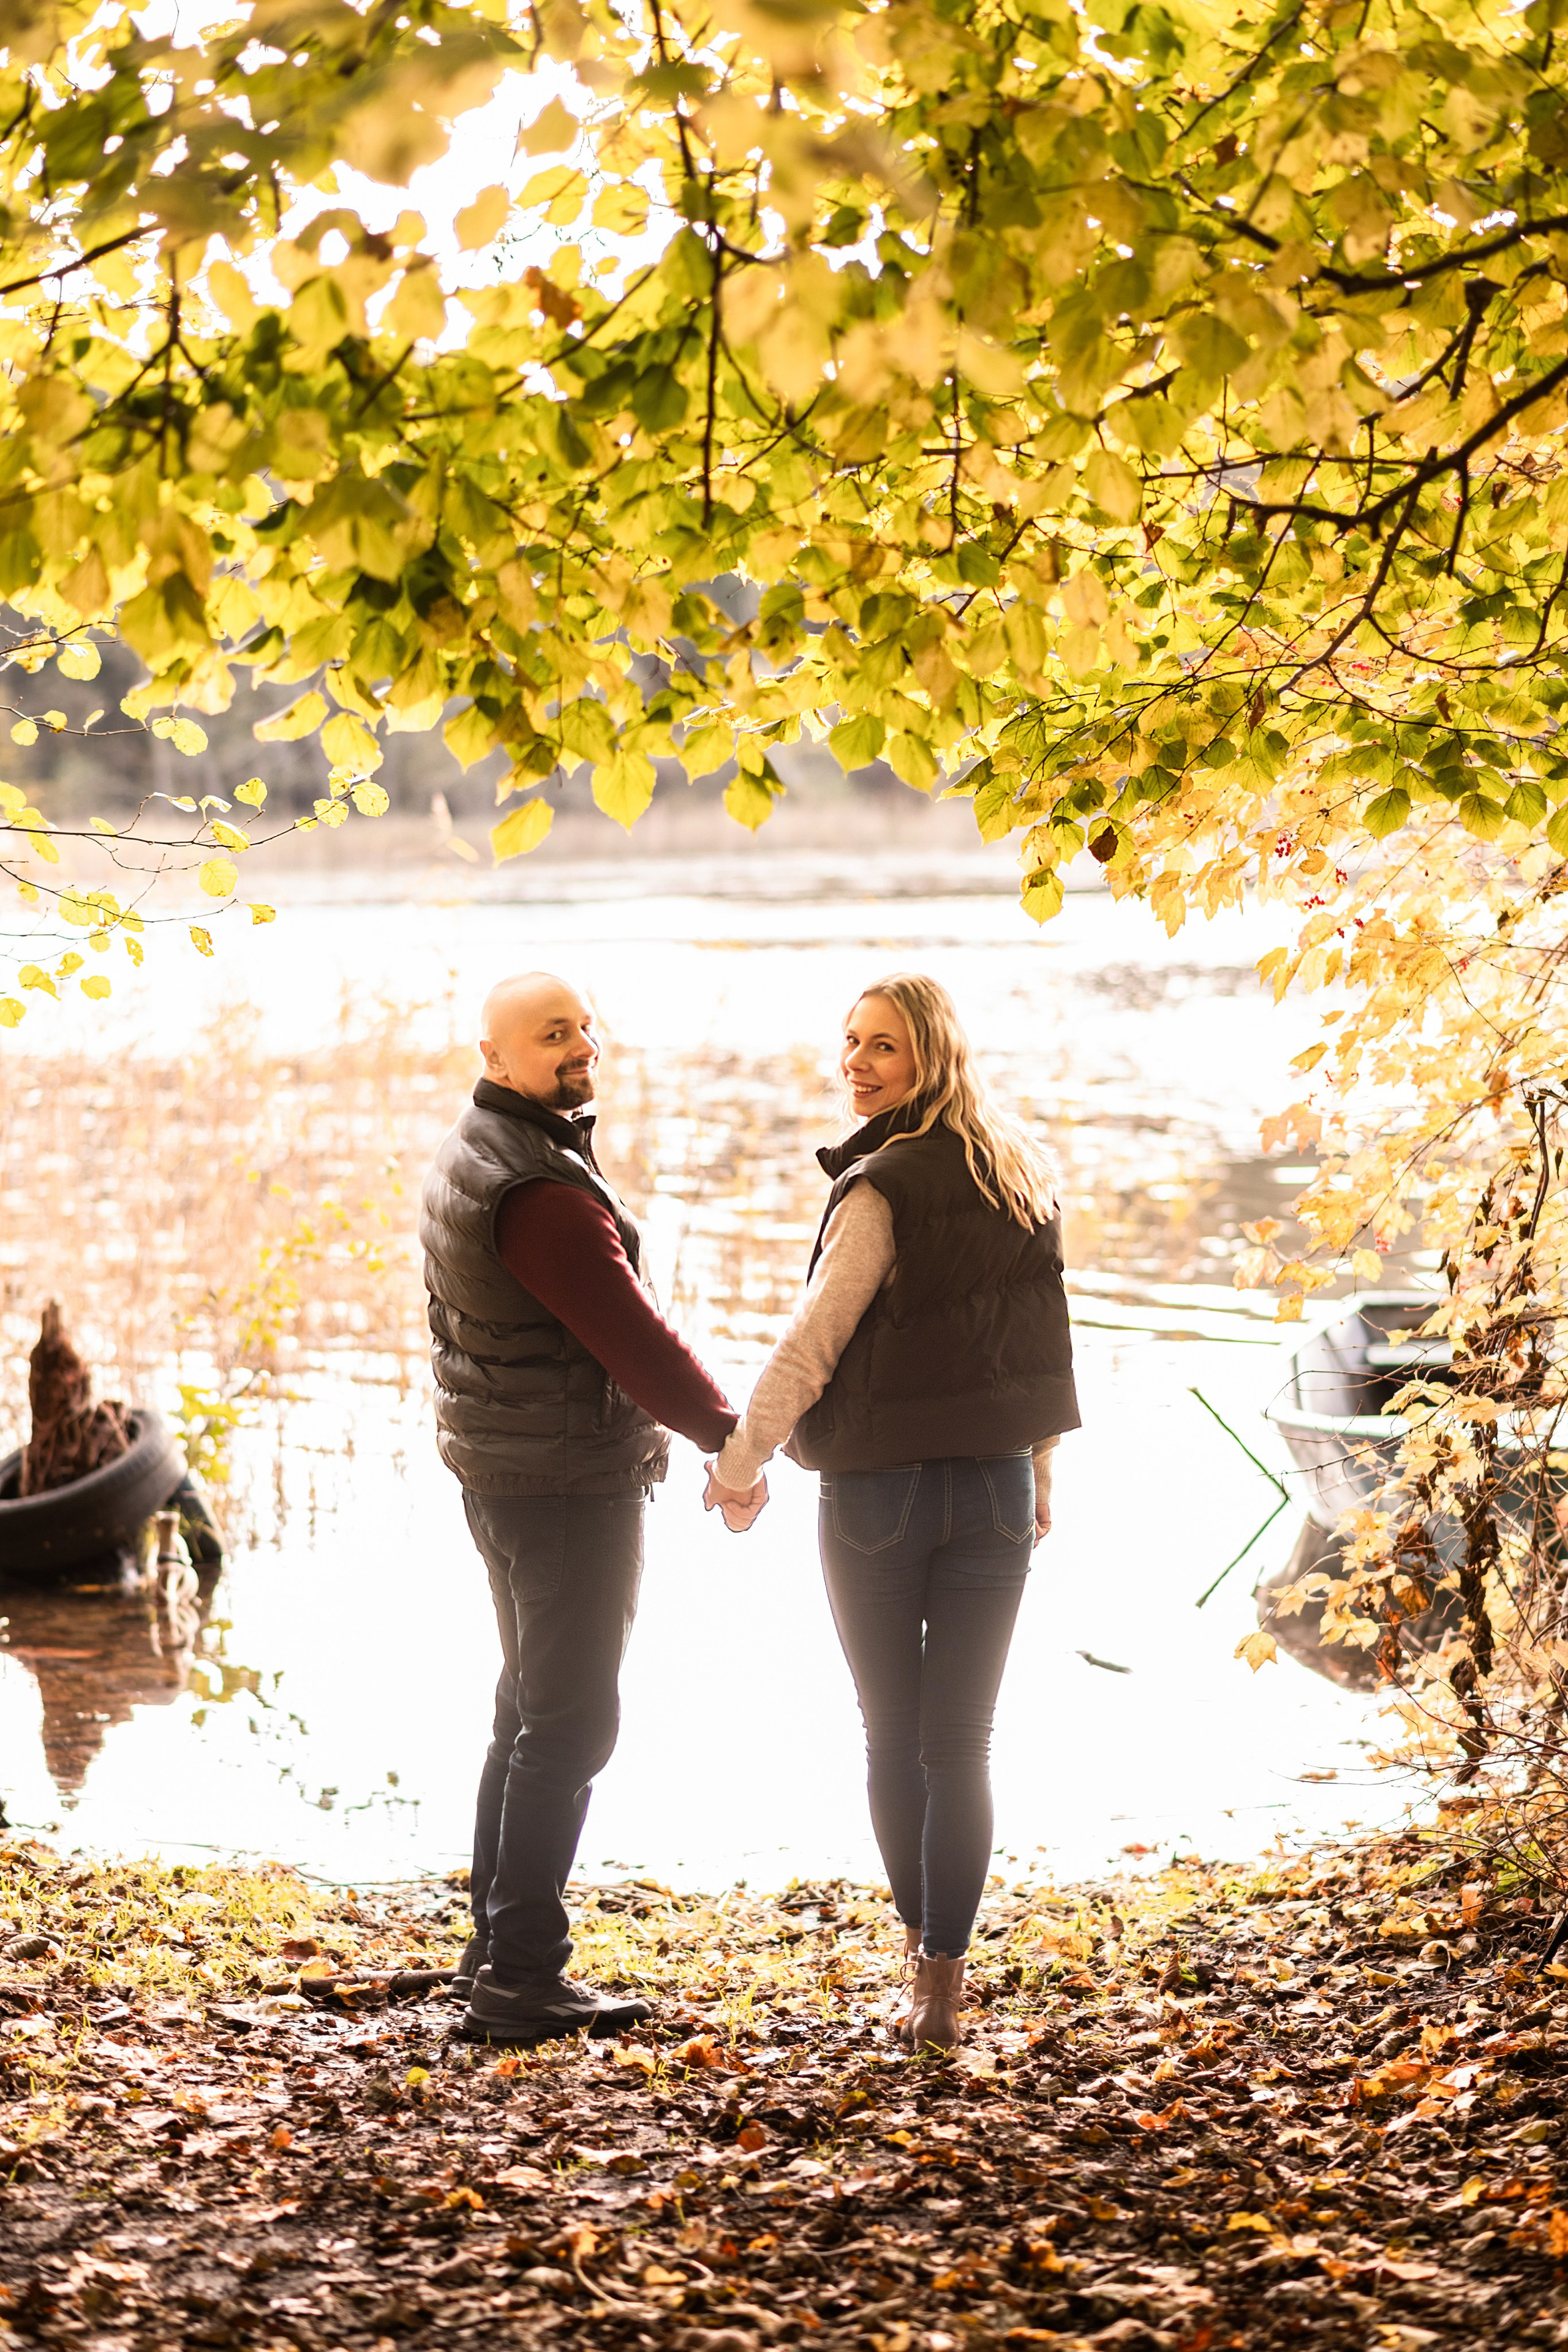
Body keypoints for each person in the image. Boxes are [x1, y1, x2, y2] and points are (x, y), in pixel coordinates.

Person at [704, 973, 1077, 2051]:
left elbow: (815, 1341)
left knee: (899, 1734)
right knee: (961, 1744)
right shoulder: (1021, 1172)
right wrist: (1041, 1468)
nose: (857, 1065)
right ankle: (944, 1991)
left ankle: (923, 1965)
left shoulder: (881, 1187)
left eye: (884, 1047)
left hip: (880, 1493)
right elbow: (1040, 1342)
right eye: (852, 1042)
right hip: (997, 1485)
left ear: (932, 1058)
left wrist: (739, 1462)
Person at [420, 971, 763, 2045]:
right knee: (570, 1723)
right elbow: (631, 1337)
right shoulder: (539, 1191)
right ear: (496, 1058)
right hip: (563, 1482)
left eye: (583, 1027)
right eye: (551, 1034)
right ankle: (522, 1975)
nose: (581, 1046)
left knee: (528, 1708)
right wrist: (730, 1442)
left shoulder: (484, 1145)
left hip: (505, 1468)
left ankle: (492, 1950)